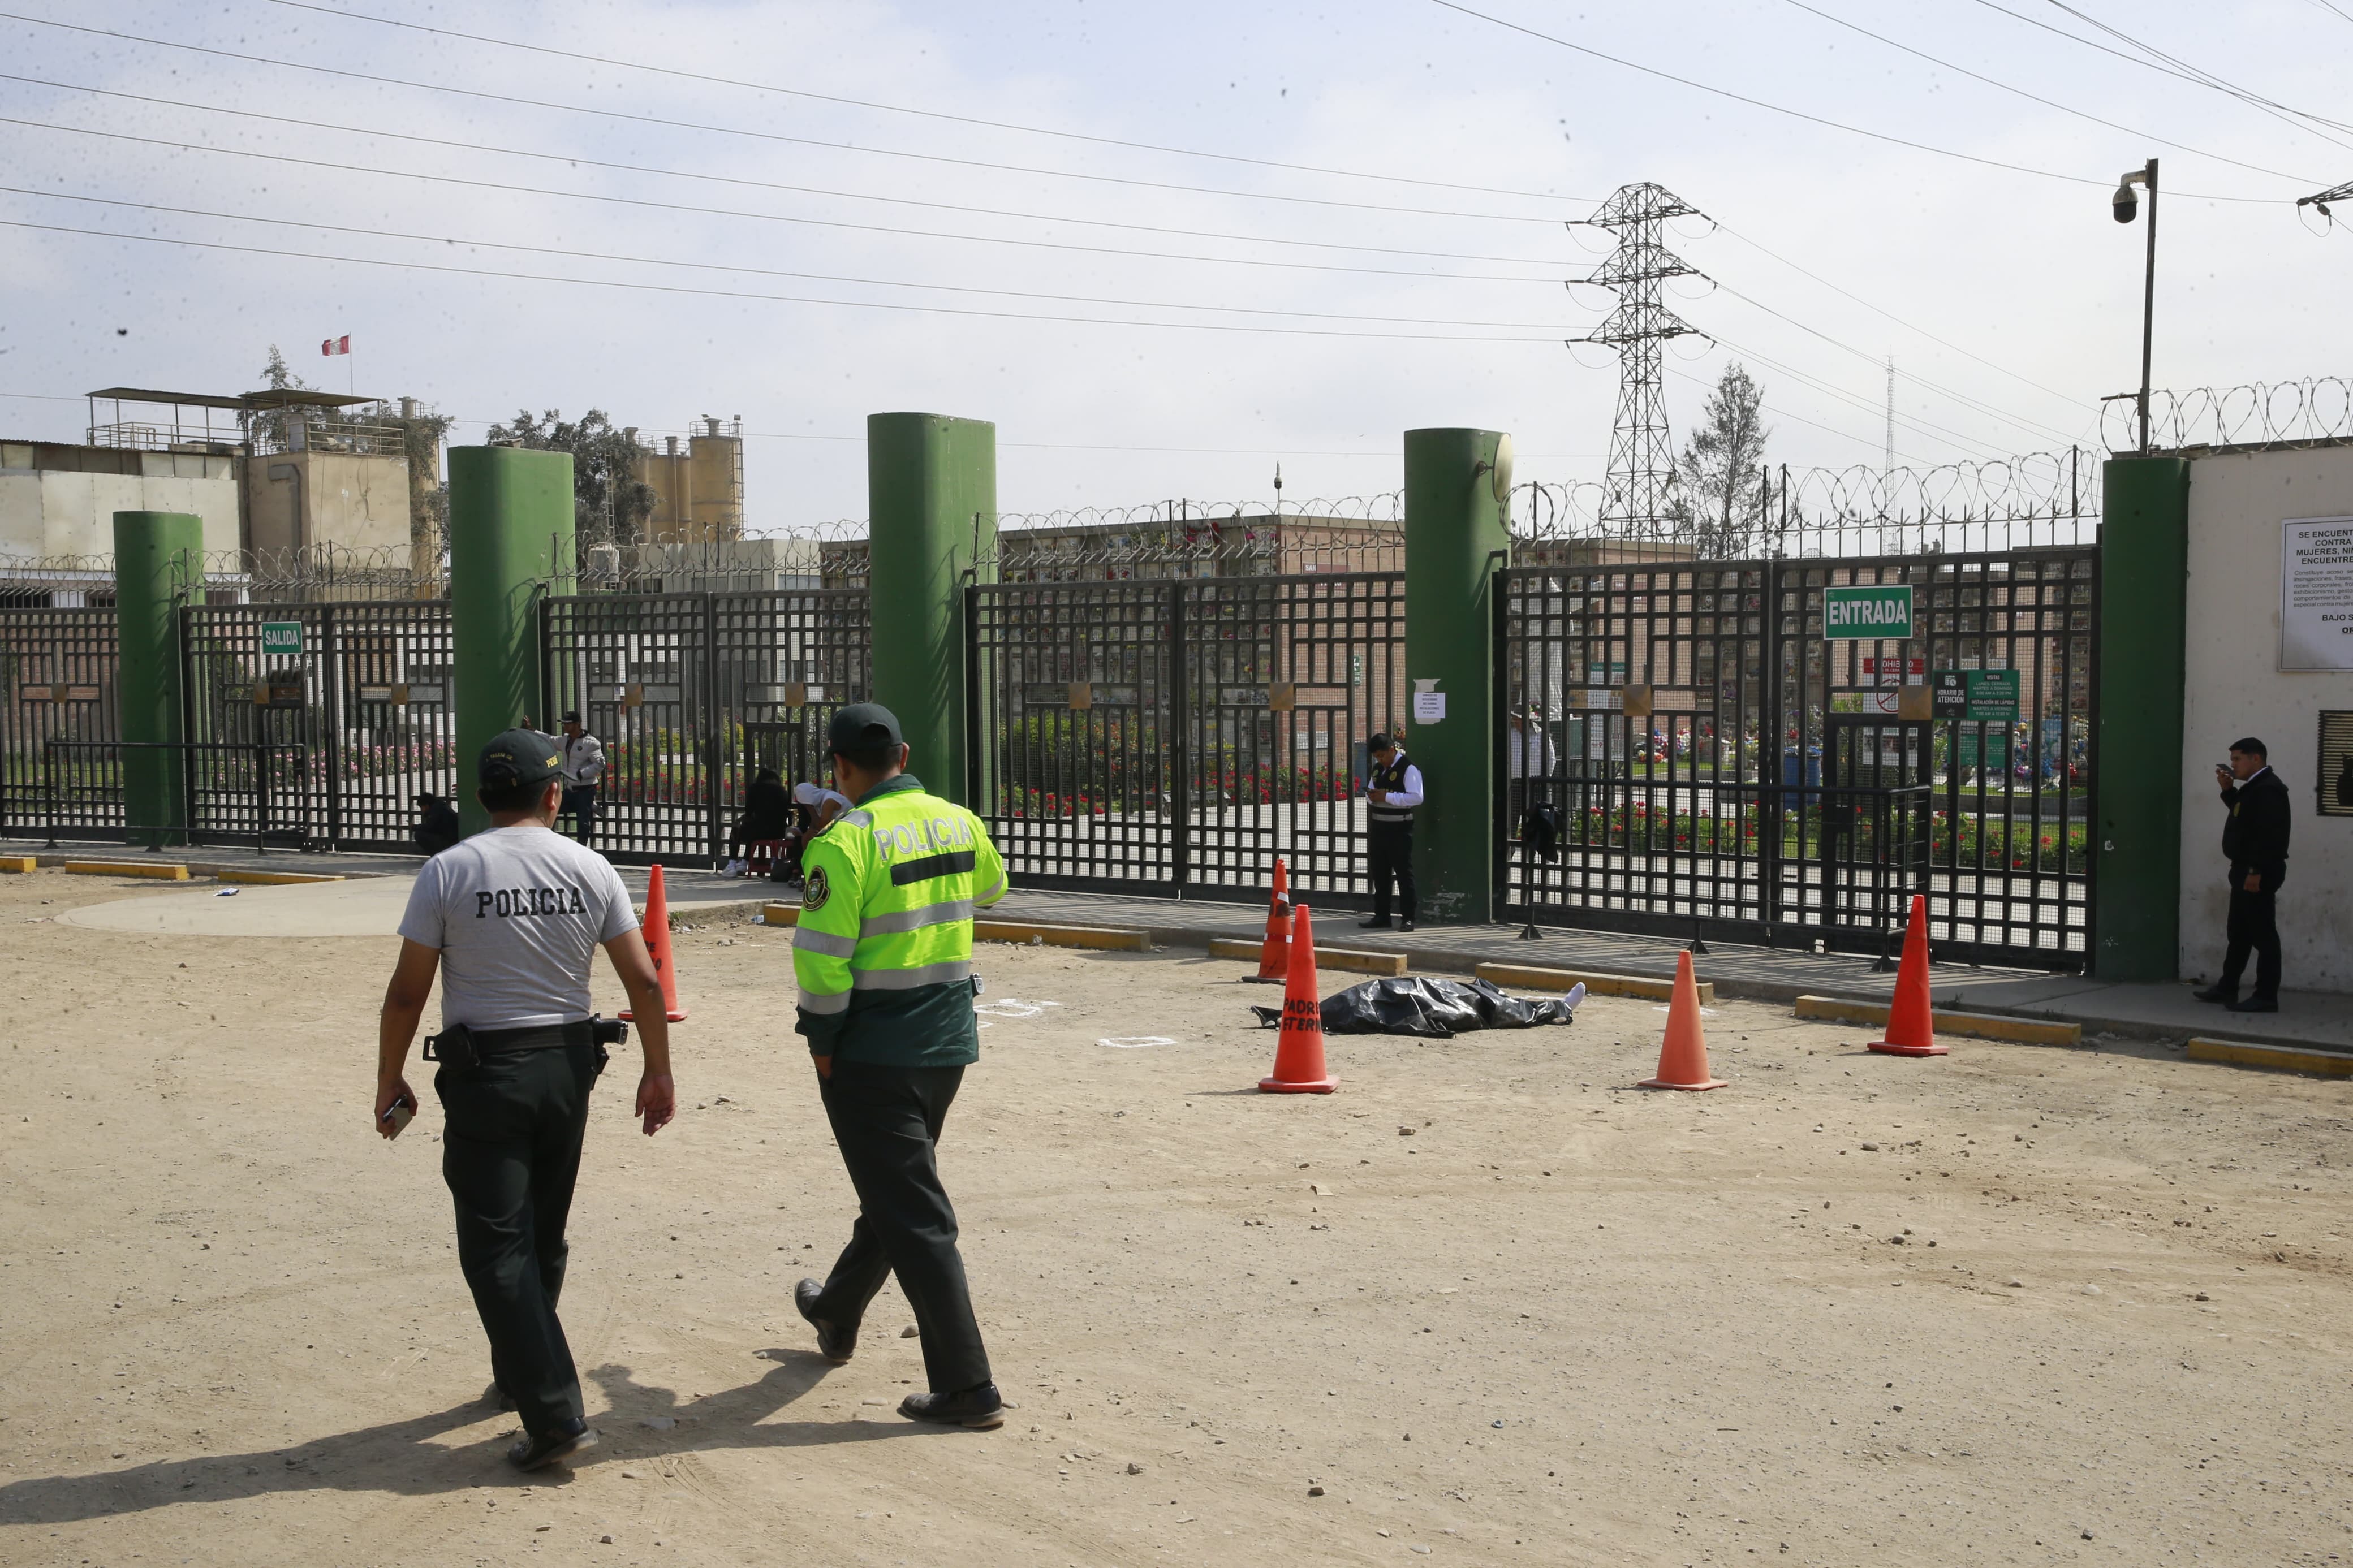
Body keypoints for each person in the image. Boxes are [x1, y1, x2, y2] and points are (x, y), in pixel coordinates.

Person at [374, 728, 677, 1472]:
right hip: (568, 1069)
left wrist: (389, 1077)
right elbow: (643, 983)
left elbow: (408, 991)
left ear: (481, 797)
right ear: (554, 794)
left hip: (488, 1075)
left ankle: (553, 1413)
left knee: (494, 1246)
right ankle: (520, 1372)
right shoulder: (589, 866)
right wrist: (659, 1072)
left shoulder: (450, 870)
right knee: (540, 1233)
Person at [789, 702, 1010, 1431]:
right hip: (945, 1041)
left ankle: (967, 1387)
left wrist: (821, 1039)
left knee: (914, 1212)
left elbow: (822, 961)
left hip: (870, 1052)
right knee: (898, 1188)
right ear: (904, 751)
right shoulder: (956, 818)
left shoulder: (842, 842)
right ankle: (836, 1311)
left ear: (839, 768)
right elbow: (990, 889)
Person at [2194, 737, 2291, 1013]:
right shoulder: (2254, 789)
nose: (2234, 765)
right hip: (2244, 871)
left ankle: (2266, 996)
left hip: (2257, 872)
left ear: (2256, 759)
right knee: (2239, 933)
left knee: (2263, 936)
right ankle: (2228, 987)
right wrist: (2228, 791)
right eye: (2233, 760)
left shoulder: (2269, 789)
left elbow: (2268, 836)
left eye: (2238, 759)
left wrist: (2255, 871)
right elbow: (2245, 817)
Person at [1360, 731, 1424, 932]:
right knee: (1380, 875)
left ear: (1391, 750)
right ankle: (1382, 916)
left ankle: (1408, 918)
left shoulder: (1409, 769)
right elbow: (1370, 793)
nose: (1380, 760)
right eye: (1376, 758)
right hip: (1379, 829)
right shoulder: (1379, 770)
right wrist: (1372, 796)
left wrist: (1388, 797)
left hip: (1400, 829)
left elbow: (1416, 798)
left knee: (1404, 874)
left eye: (1382, 756)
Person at [723, 767, 794, 876]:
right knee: (753, 829)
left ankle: (732, 866)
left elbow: (749, 812)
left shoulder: (755, 788)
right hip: (779, 832)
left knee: (739, 828)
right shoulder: (782, 791)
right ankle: (744, 863)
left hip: (757, 831)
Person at [558, 711, 605, 849]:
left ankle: (582, 850)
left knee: (582, 822)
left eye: (568, 723)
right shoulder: (565, 740)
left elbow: (600, 764)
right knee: (552, 809)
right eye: (563, 723)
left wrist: (581, 774)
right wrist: (532, 731)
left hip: (585, 789)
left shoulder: (591, 743)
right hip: (570, 788)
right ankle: (590, 804)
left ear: (577, 724)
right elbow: (549, 739)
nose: (565, 726)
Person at [413, 791, 460, 857]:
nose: (422, 810)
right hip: (453, 839)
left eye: (422, 807)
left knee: (418, 835)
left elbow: (429, 827)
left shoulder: (435, 810)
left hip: (450, 841)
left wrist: (414, 827)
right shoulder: (439, 805)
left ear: (427, 805)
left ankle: (435, 856)